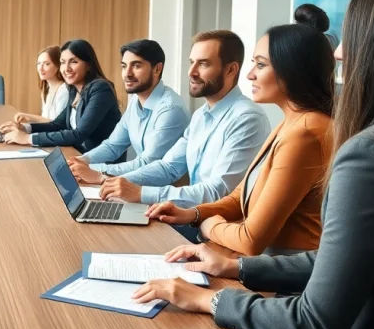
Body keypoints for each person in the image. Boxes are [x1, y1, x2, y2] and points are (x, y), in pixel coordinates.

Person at [133, 0, 374, 329]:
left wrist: (208, 298)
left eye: (353, 37)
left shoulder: (373, 152)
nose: (339, 54)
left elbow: (315, 323)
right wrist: (238, 266)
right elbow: (344, 260)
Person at [145, 23, 334, 255]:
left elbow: (250, 240)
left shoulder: (304, 133)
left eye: (261, 64)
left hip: (279, 275)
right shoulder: (290, 123)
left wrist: (208, 225)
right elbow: (239, 196)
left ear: (293, 70)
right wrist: (192, 214)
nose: (250, 74)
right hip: (261, 261)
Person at [98, 30, 269, 208]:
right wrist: (115, 182)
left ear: (231, 70)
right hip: (192, 216)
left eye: (203, 64)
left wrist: (141, 193)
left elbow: (218, 191)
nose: (191, 72)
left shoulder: (247, 118)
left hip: (214, 227)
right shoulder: (201, 115)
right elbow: (169, 167)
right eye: (191, 62)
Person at [69, 39, 189, 182]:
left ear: (157, 69)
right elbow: (113, 146)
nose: (127, 74)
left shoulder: (171, 109)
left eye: (136, 66)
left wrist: (94, 171)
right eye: (124, 66)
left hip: (164, 193)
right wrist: (82, 160)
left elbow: (147, 163)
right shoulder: (135, 101)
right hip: (137, 184)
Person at [0, 39, 121, 152]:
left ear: (88, 65)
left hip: (101, 164)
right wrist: (24, 128)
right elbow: (57, 125)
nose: (66, 68)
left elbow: (79, 135)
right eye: (63, 62)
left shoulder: (100, 88)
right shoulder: (74, 89)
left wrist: (27, 139)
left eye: (74, 62)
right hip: (78, 155)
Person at [12, 46, 72, 124]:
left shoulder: (64, 91)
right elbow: (45, 120)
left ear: (58, 66)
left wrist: (29, 117)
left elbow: (58, 124)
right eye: (39, 63)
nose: (40, 68)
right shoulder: (47, 89)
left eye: (47, 64)